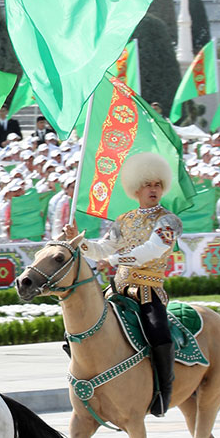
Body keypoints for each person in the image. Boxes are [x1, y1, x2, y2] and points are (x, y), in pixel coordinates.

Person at [64, 151, 182, 417]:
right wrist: (79, 241)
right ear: (136, 188)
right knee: (80, 325)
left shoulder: (169, 221)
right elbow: (102, 247)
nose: (153, 189)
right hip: (117, 290)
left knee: (159, 335)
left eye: (157, 185)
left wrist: (115, 259)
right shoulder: (124, 220)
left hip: (148, 291)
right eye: (148, 185)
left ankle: (164, 392)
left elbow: (153, 249)